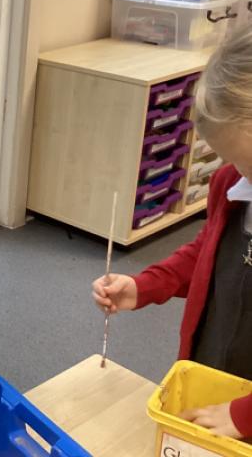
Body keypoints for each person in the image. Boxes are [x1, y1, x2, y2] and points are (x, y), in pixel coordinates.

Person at [93, 28, 252, 439]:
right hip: (214, 381)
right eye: (237, 162)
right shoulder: (232, 184)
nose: (242, 175)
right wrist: (143, 286)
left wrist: (244, 416)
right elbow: (209, 253)